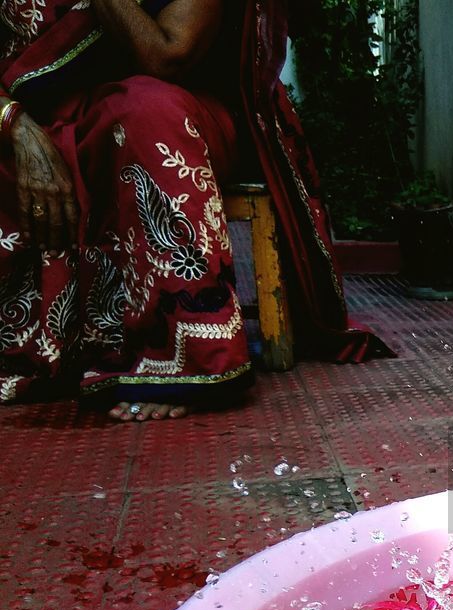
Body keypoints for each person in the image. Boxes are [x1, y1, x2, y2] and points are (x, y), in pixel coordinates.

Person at [0, 0, 386, 420]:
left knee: (145, 112)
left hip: (168, 108)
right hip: (33, 117)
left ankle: (184, 351)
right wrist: (15, 125)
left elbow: (168, 55)